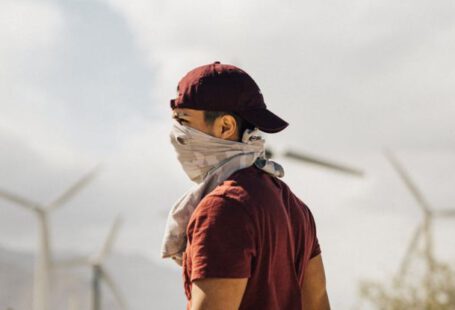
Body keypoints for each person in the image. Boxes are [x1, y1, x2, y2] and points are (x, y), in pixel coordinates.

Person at [161, 61, 330, 310]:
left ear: (226, 127)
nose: (175, 134)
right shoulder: (295, 208)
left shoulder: (223, 208)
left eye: (183, 122)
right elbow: (317, 304)